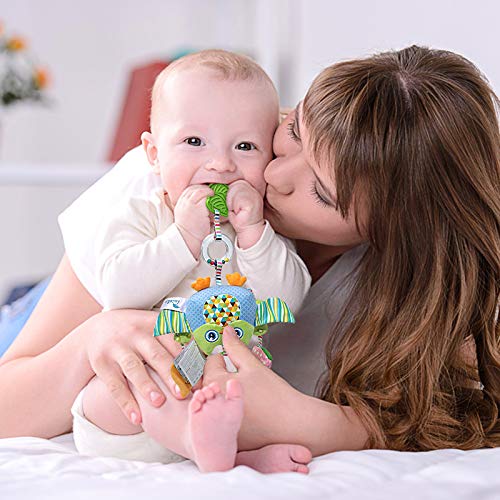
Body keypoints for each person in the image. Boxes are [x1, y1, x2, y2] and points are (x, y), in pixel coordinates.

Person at [0, 46, 498, 466]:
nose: (274, 176)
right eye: (295, 130)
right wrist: (94, 335)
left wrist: (318, 425)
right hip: (43, 315)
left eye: (322, 194)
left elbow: (461, 412)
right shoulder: (179, 170)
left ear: (392, 229)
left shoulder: (433, 282)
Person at [69, 49, 311, 472]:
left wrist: (254, 234)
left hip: (228, 386)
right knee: (104, 398)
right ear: (154, 153)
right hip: (144, 400)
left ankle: (236, 449)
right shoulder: (142, 212)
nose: (221, 163)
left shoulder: (256, 228)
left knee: (256, 395)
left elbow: (286, 302)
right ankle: (196, 440)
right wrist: (183, 238)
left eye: (245, 146)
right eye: (194, 142)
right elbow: (118, 289)